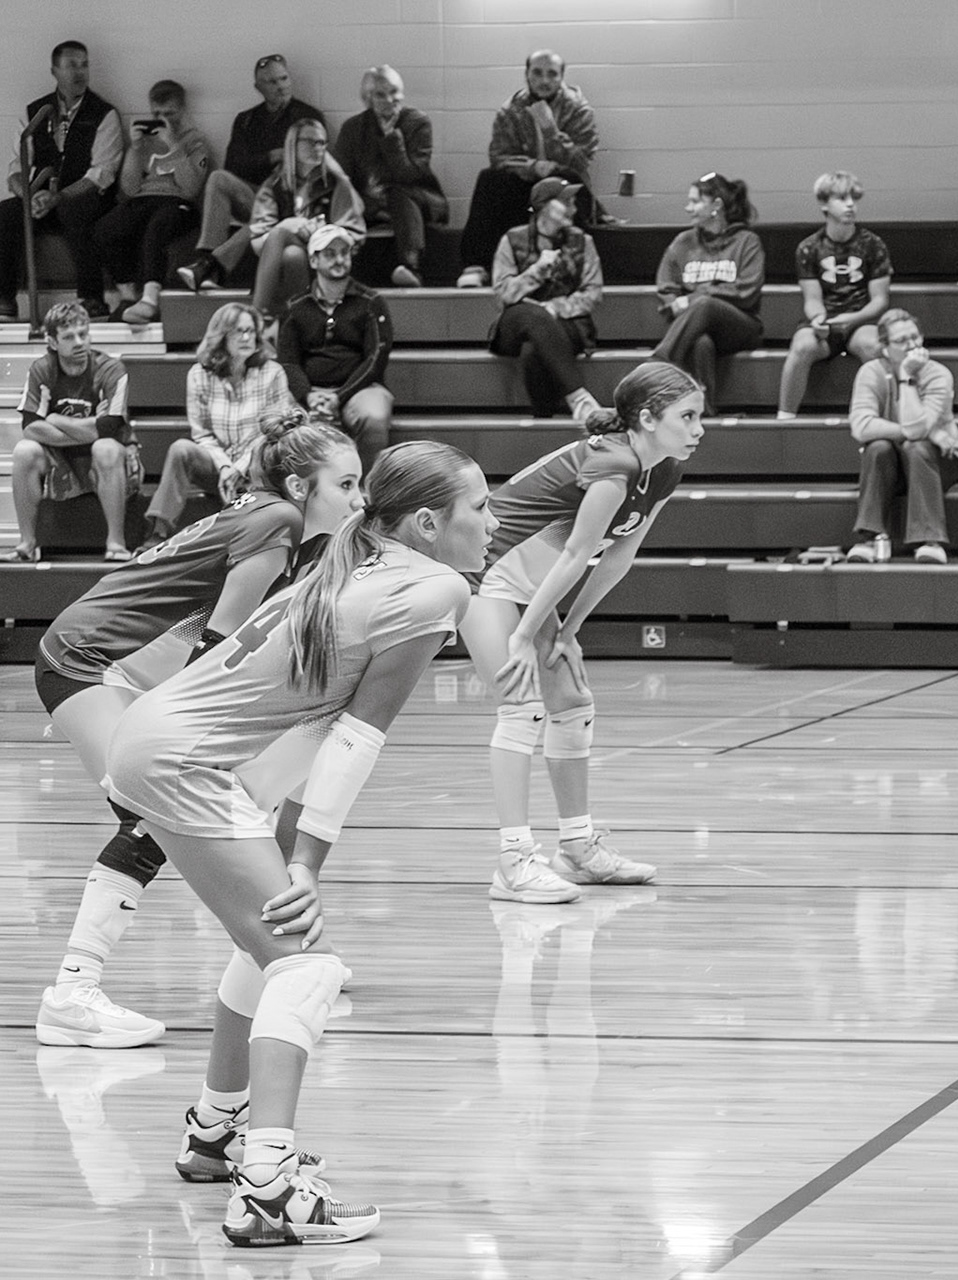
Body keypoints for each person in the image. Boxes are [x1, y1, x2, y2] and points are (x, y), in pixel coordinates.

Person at [105, 440, 494, 1246]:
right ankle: (268, 1190)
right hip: (186, 758)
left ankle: (216, 1135)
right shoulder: (434, 587)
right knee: (307, 965)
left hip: (167, 744)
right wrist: (306, 865)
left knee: (265, 948)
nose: (494, 523)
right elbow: (356, 737)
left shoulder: (356, 565)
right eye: (480, 507)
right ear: (427, 523)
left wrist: (290, 854)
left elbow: (307, 730)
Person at [33, 414, 362, 1050]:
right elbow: (219, 640)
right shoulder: (279, 523)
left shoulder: (287, 527)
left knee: (210, 812)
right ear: (300, 486)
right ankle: (72, 994)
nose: (357, 499)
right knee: (154, 817)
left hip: (124, 663)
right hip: (90, 659)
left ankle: (283, 955)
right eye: (346, 485)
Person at [463, 363, 703, 904]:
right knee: (520, 705)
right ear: (647, 418)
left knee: (571, 701)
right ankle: (513, 861)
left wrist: (568, 631)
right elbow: (574, 555)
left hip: (530, 585)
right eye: (687, 417)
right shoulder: (613, 464)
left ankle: (577, 850)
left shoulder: (661, 470)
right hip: (486, 571)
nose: (698, 430)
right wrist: (525, 637)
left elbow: (616, 559)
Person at [142, 302, 298, 548]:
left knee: (275, 450)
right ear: (221, 336)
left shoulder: (272, 372)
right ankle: (158, 533)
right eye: (238, 331)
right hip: (218, 467)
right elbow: (202, 434)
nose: (247, 337)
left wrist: (240, 466)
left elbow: (273, 431)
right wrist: (226, 466)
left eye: (251, 331)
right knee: (181, 449)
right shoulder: (199, 375)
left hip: (257, 466)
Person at [176, 55, 326, 293]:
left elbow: (312, 168)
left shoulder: (308, 118)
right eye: (272, 82)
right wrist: (272, 157)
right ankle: (205, 256)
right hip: (256, 193)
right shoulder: (247, 120)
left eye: (284, 78)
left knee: (264, 217)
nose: (280, 86)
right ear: (258, 87)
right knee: (218, 178)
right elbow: (233, 165)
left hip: (293, 201)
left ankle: (208, 267)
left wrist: (280, 162)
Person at [8, 301, 139, 562]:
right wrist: (89, 428)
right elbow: (30, 428)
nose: (79, 342)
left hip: (110, 463)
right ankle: (27, 544)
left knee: (106, 447)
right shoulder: (42, 369)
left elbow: (109, 429)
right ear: (52, 342)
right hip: (63, 464)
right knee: (24, 451)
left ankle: (116, 543)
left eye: (84, 334)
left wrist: (55, 418)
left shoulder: (112, 369)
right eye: (69, 337)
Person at [1, 41, 123, 320]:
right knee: (5, 214)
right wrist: (29, 197)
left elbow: (101, 173)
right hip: (41, 198)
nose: (79, 72)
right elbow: (16, 167)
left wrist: (60, 197)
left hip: (87, 199)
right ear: (54, 70)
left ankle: (92, 299)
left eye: (84, 64)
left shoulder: (104, 114)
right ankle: (4, 299)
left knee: (75, 211)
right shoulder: (34, 112)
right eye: (71, 65)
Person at [457, 51, 597, 289]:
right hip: (524, 186)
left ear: (561, 77)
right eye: (537, 73)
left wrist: (551, 132)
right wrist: (535, 167)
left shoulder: (579, 110)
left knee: (567, 178)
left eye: (552, 74)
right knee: (489, 179)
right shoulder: (511, 110)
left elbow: (581, 162)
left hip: (562, 185)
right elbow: (499, 157)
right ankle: (476, 266)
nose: (544, 80)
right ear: (526, 75)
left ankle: (576, 265)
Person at [488, 175, 612, 427]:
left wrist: (553, 308)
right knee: (530, 315)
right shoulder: (512, 240)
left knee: (534, 351)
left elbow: (592, 293)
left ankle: (543, 420)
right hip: (517, 321)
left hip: (566, 322)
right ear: (544, 206)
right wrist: (536, 272)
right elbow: (504, 296)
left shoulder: (582, 242)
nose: (574, 208)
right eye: (566, 202)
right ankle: (580, 399)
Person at [846, 308, 958, 564]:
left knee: (916, 447)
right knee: (877, 447)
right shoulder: (871, 372)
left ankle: (929, 541)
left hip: (940, 461)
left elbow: (919, 429)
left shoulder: (938, 374)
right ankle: (870, 538)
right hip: (893, 463)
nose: (912, 345)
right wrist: (925, 433)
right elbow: (861, 427)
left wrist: (908, 377)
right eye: (901, 341)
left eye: (915, 337)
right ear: (885, 347)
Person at [94, 80, 212, 324]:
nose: (164, 119)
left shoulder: (195, 142)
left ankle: (150, 298)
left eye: (170, 113)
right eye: (157, 114)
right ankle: (129, 297)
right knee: (106, 228)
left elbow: (190, 190)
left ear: (182, 110)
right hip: (143, 200)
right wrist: (135, 150)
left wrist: (174, 146)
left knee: (158, 226)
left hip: (177, 203)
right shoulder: (146, 143)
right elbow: (129, 188)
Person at [277, 225, 393, 471]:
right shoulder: (295, 306)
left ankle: (367, 490)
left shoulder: (371, 301)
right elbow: (288, 362)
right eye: (330, 253)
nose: (339, 259)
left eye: (345, 252)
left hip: (360, 389)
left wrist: (338, 398)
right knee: (279, 416)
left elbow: (375, 360)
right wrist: (307, 395)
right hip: (310, 388)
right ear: (313, 259)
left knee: (374, 416)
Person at [777, 171, 893, 418]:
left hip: (861, 320)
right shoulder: (809, 247)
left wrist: (850, 320)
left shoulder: (873, 244)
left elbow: (880, 301)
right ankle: (784, 418)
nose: (851, 204)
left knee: (874, 346)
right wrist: (819, 320)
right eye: (842, 198)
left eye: (854, 198)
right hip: (826, 321)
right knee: (802, 346)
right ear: (824, 204)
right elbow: (812, 299)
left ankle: (885, 418)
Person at [651, 173, 765, 408]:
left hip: (739, 325)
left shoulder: (747, 241)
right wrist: (676, 302)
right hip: (694, 325)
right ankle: (703, 409)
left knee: (704, 304)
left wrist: (696, 297)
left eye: (695, 202)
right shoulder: (682, 242)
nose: (688, 208)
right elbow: (666, 288)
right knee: (700, 341)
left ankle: (660, 362)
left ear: (716, 206)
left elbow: (747, 292)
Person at [335, 65, 446, 289]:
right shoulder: (352, 128)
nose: (390, 99)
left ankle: (410, 267)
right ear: (367, 100)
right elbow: (343, 179)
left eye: (394, 91)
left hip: (417, 199)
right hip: (370, 205)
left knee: (398, 193)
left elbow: (411, 175)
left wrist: (391, 138)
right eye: (380, 94)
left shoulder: (417, 122)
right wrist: (371, 204)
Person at [248, 118, 365, 320]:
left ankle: (256, 315)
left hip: (327, 258)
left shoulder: (337, 184)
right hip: (286, 263)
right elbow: (258, 241)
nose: (318, 147)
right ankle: (300, 320)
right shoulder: (276, 184)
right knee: (292, 254)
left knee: (280, 232)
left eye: (322, 142)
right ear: (293, 144)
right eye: (311, 141)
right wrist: (290, 226)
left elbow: (353, 236)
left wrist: (321, 231)